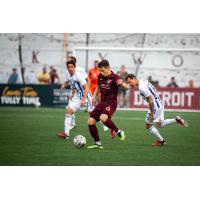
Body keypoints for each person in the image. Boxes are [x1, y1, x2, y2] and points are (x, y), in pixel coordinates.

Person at [123, 74, 188, 146]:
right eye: (128, 82)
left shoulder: (142, 87)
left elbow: (150, 100)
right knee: (160, 125)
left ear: (134, 78)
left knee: (148, 126)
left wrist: (152, 113)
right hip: (159, 102)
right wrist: (124, 84)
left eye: (130, 82)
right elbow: (130, 87)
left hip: (155, 106)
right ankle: (176, 120)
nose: (130, 84)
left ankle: (161, 141)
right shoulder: (143, 81)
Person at [87, 60, 125, 149]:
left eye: (102, 70)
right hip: (102, 103)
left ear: (108, 68)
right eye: (100, 70)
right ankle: (97, 143)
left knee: (103, 118)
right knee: (90, 121)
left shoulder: (115, 77)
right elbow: (98, 86)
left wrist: (122, 83)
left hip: (111, 103)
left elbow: (126, 87)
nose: (101, 73)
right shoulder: (100, 76)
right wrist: (94, 96)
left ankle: (119, 131)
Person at [57, 60, 93, 139]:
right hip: (77, 96)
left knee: (93, 115)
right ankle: (66, 134)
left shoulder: (78, 75)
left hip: (86, 96)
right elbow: (70, 82)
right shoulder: (69, 75)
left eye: (72, 67)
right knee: (69, 112)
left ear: (74, 67)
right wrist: (64, 85)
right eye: (68, 67)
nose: (70, 68)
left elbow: (87, 87)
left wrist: (83, 99)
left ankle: (109, 125)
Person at [88, 60, 109, 132]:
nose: (95, 64)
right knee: (91, 109)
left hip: (100, 89)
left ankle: (103, 121)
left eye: (97, 62)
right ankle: (102, 122)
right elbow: (89, 80)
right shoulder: (91, 70)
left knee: (98, 106)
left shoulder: (100, 71)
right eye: (95, 62)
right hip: (92, 90)